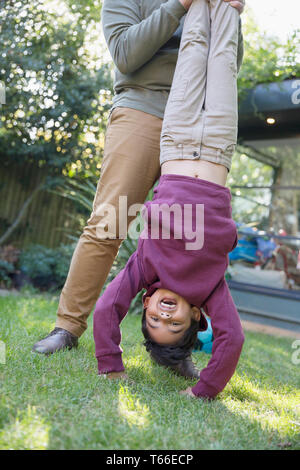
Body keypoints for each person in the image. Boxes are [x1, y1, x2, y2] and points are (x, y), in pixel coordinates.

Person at [32, 0, 245, 355]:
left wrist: (229, 14)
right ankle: (67, 328)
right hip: (144, 109)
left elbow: (229, 61)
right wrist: (179, 5)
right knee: (110, 221)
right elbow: (126, 54)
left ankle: (176, 348)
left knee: (190, 237)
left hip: (198, 118)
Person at [93, 0, 245, 400]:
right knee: (224, 58)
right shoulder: (210, 290)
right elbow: (232, 339)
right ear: (196, 316)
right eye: (174, 325)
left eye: (154, 320)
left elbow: (107, 309)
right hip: (217, 150)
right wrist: (203, 390)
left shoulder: (145, 267)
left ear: (144, 304)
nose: (163, 315)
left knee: (194, 47)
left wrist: (111, 365)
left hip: (175, 143)